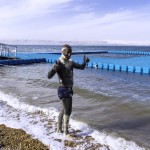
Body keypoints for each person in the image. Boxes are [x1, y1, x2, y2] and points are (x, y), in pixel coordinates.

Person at [48, 44, 90, 135]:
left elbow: (81, 67)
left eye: (70, 53)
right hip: (63, 89)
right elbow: (49, 76)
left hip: (68, 89)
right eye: (67, 53)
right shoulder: (58, 62)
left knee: (63, 109)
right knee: (68, 111)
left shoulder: (70, 62)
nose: (69, 55)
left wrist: (85, 62)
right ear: (62, 52)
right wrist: (54, 68)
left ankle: (59, 129)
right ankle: (66, 132)